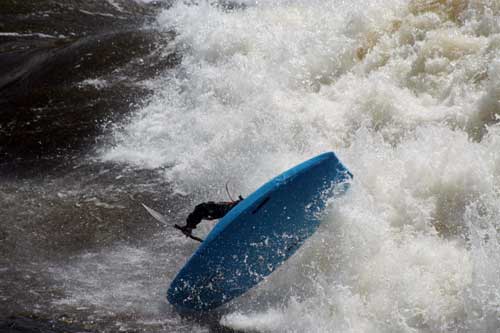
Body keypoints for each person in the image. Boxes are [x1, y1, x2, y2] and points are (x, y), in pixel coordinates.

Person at [177, 196, 244, 237]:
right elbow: (198, 212)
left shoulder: (193, 218)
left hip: (216, 209)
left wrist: (189, 226)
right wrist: (189, 226)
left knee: (225, 209)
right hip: (215, 210)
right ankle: (239, 203)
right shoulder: (195, 217)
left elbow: (198, 210)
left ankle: (240, 203)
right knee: (223, 210)